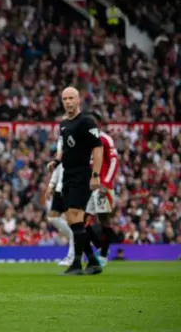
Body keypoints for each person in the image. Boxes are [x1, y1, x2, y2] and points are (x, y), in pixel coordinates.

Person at [47, 87, 103, 276]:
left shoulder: (87, 121)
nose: (68, 102)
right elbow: (65, 150)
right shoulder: (63, 124)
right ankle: (93, 262)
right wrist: (56, 161)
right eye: (65, 99)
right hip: (68, 175)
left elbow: (97, 149)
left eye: (71, 98)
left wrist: (96, 175)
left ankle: (77, 264)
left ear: (79, 100)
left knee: (75, 216)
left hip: (82, 174)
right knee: (73, 222)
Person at [85, 110, 119, 268]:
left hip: (102, 186)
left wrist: (106, 182)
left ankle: (104, 254)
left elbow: (113, 161)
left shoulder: (105, 139)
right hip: (90, 187)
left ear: (98, 123)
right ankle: (100, 247)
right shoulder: (85, 140)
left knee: (104, 219)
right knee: (83, 221)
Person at [45, 126, 74, 266]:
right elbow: (58, 166)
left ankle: (72, 256)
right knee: (52, 217)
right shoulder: (61, 143)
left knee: (74, 222)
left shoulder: (76, 144)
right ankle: (76, 238)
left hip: (70, 188)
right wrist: (51, 185)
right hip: (59, 188)